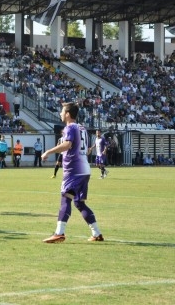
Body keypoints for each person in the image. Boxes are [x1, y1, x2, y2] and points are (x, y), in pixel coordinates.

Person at [41, 102, 104, 243]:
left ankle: (59, 233)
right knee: (79, 203)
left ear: (68, 114)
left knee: (65, 198)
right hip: (84, 170)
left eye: (62, 111)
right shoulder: (82, 128)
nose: (60, 114)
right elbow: (85, 148)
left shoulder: (69, 127)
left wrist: (48, 151)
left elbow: (67, 145)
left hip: (74, 170)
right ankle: (97, 233)